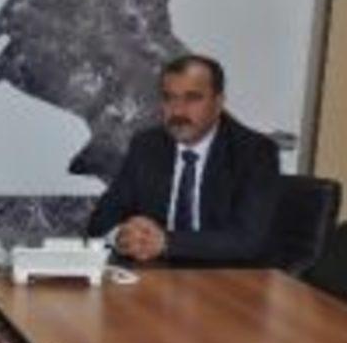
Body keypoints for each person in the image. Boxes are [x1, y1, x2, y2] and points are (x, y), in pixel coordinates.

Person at [87, 54, 280, 264]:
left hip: (224, 275)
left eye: (192, 98)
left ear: (218, 103)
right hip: (155, 273)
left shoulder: (254, 152)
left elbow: (247, 241)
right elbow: (101, 219)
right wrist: (123, 236)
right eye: (169, 98)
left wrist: (166, 242)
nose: (177, 110)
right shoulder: (147, 146)